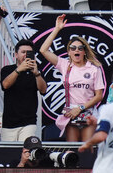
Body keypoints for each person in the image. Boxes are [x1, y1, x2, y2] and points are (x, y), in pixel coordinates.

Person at [39, 14, 106, 142]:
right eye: (73, 48)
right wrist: (57, 29)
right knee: (72, 150)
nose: (77, 50)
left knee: (87, 150)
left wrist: (80, 108)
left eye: (80, 48)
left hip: (88, 112)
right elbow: (43, 50)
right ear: (69, 52)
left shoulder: (93, 69)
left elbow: (99, 96)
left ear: (84, 51)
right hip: (71, 114)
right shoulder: (65, 65)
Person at [0, 39, 46, 142]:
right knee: (9, 154)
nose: (26, 55)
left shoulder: (37, 71)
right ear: (16, 54)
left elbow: (43, 90)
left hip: (29, 121)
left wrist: (37, 74)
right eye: (23, 52)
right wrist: (19, 69)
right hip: (9, 123)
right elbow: (5, 85)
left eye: (29, 53)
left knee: (26, 151)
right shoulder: (7, 69)